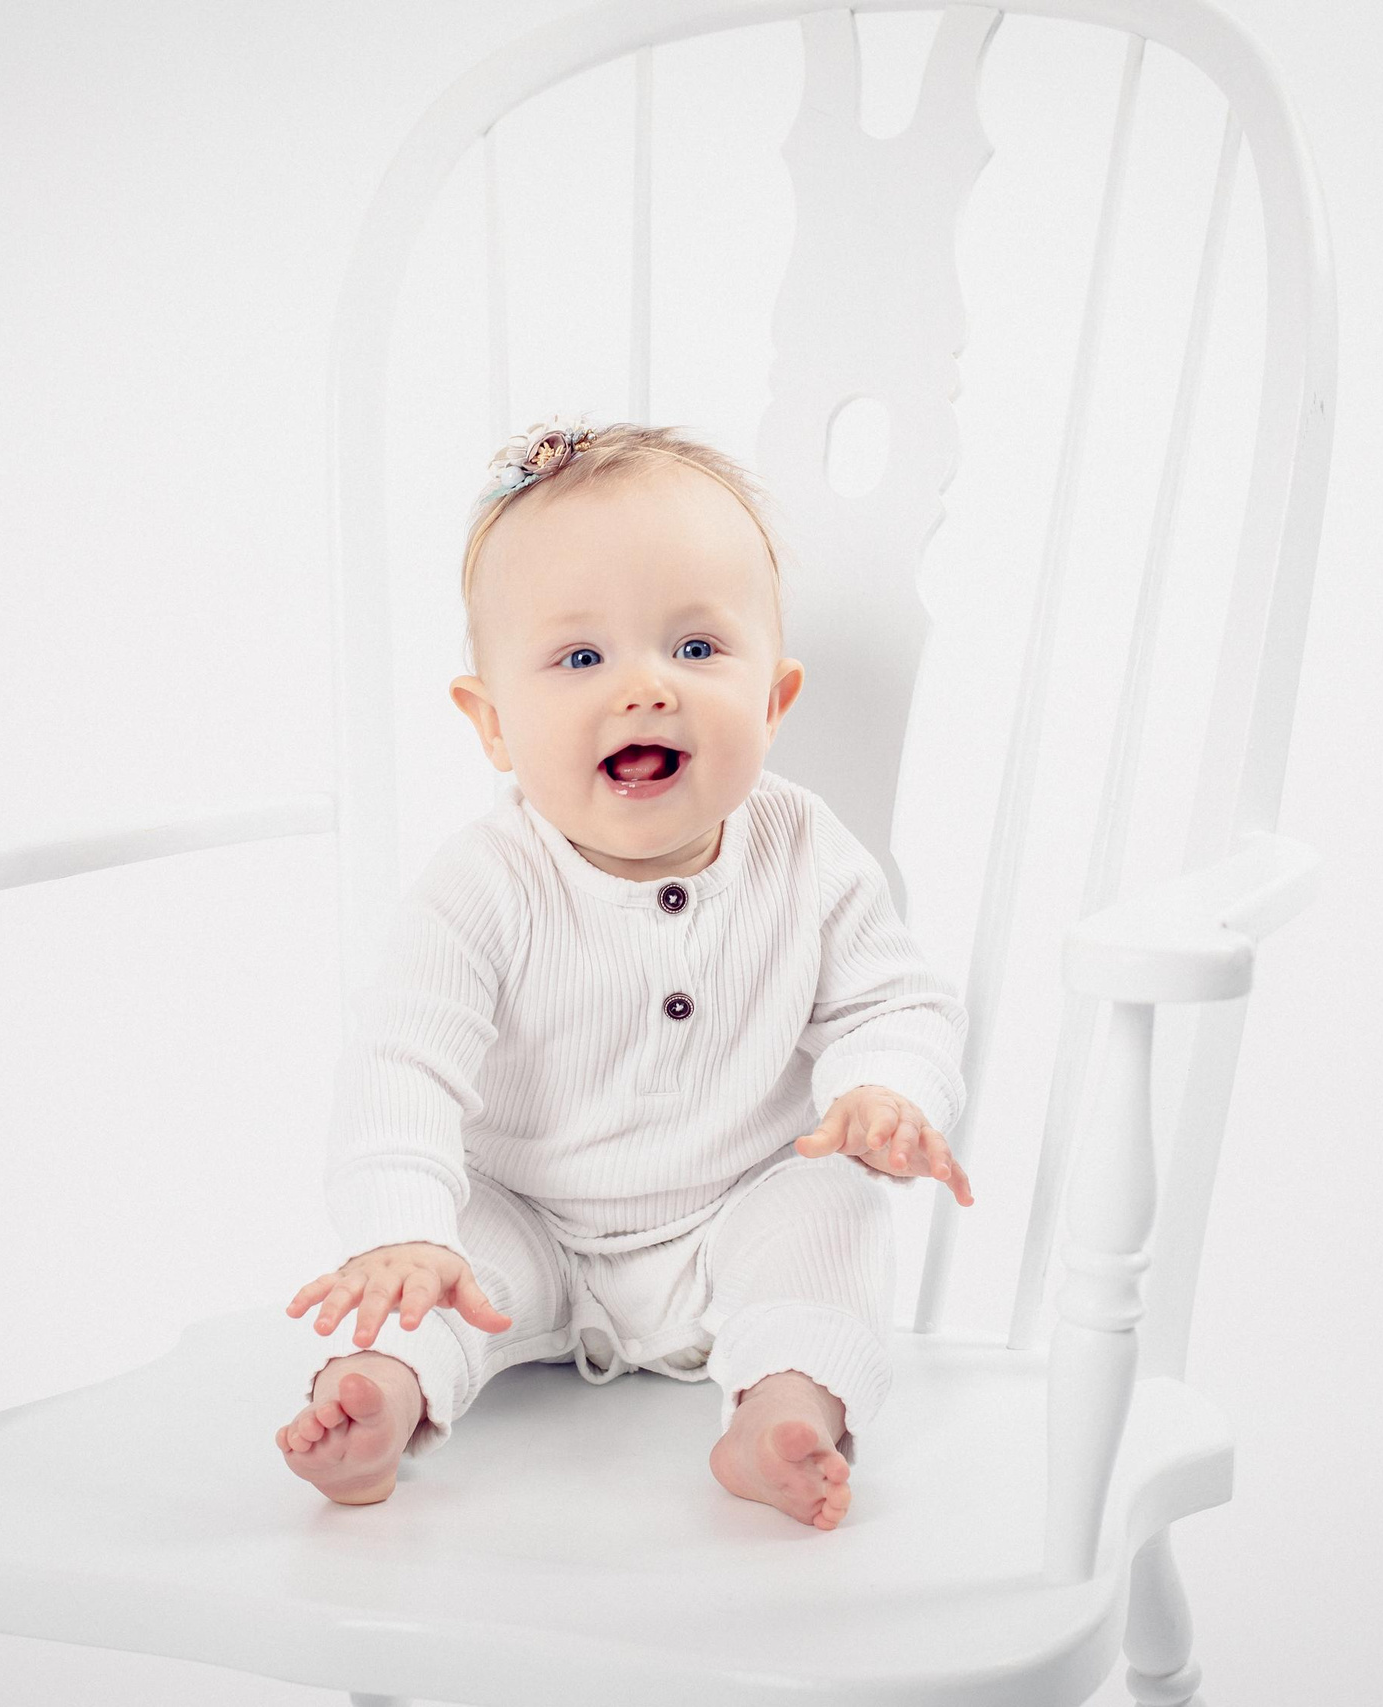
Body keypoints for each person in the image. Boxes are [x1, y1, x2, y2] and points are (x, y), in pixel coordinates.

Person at [274, 420, 972, 1531]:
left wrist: (884, 1088)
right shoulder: (482, 884)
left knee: (832, 1213)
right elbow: (400, 1065)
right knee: (433, 1276)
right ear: (493, 725)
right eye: (581, 657)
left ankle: (783, 1413)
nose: (647, 689)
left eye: (696, 651)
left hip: (742, 1202)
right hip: (532, 1214)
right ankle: (375, 1406)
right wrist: (400, 1227)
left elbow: (892, 1000)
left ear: (775, 701)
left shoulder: (807, 849)